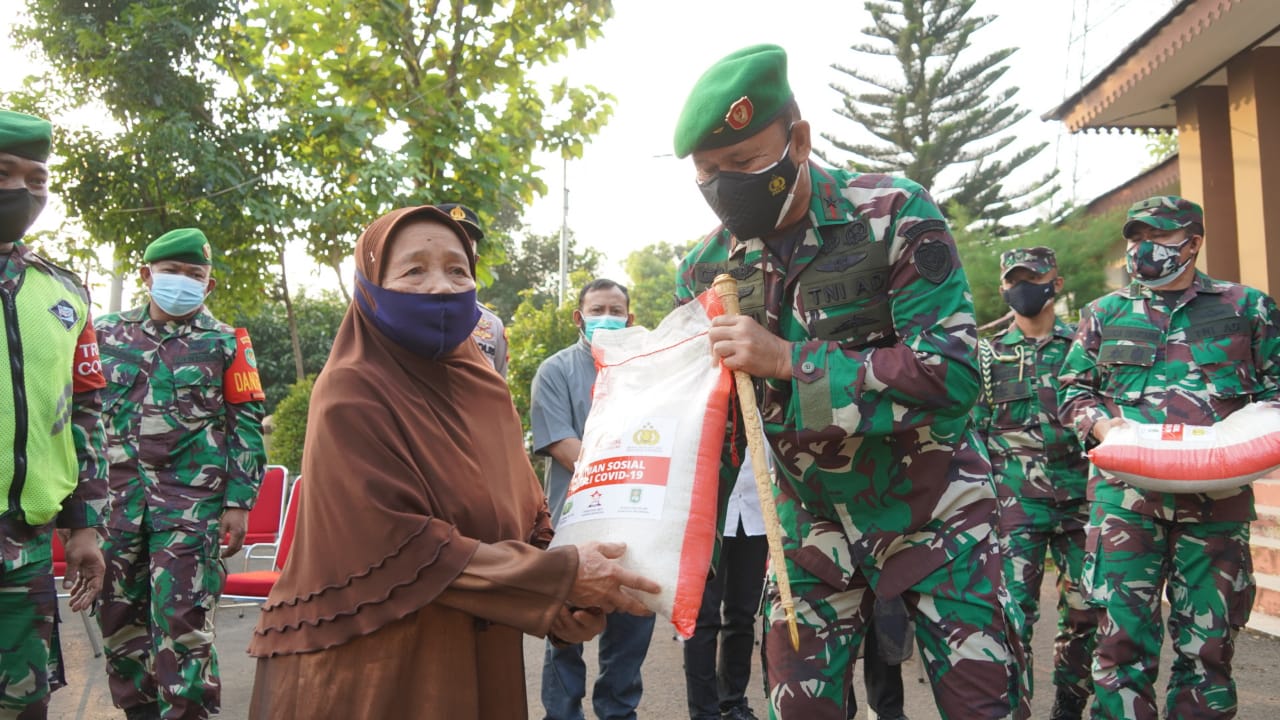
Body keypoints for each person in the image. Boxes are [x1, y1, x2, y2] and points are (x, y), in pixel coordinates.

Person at [672, 45, 1025, 720]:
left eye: (744, 164)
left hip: (936, 513)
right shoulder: (710, 266)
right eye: (708, 174)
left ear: (798, 141)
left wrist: (789, 363)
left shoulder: (893, 213)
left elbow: (950, 372)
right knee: (800, 710)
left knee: (984, 706)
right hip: (808, 526)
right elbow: (717, 420)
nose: (726, 186)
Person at [246, 205, 658, 720]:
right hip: (376, 667)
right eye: (414, 270)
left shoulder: (485, 390)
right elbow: (398, 544)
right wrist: (560, 578)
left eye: (458, 270)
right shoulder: (350, 391)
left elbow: (529, 515)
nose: (441, 287)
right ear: (371, 285)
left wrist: (568, 605)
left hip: (483, 656)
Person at [1059, 196, 1280, 719]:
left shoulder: (1246, 308)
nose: (1143, 249)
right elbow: (1072, 391)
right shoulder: (1104, 314)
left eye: (1156, 238)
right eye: (1135, 238)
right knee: (1118, 647)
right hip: (1125, 507)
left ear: (1193, 243)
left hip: (1216, 506)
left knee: (1208, 649)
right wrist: (1102, 425)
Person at [94, 227, 268, 720]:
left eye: (195, 275)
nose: (182, 282)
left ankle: (188, 713)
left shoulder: (227, 343)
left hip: (191, 509)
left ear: (209, 286)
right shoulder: (104, 335)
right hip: (115, 508)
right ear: (147, 274)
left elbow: (246, 426)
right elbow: (78, 422)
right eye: (172, 271)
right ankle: (139, 713)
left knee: (184, 623)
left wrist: (239, 502)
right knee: (119, 621)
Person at [0, 109, 108, 720]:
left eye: (36, 178)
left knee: (25, 707)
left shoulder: (65, 293)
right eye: (3, 172)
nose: (21, 190)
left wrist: (84, 525)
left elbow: (82, 415)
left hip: (25, 549)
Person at [972, 247, 1095, 720]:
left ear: (1055, 283)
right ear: (1004, 289)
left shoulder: (1083, 347)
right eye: (1014, 280)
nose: (1023, 287)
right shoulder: (988, 354)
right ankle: (1012, 709)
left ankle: (1070, 701)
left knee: (1087, 612)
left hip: (1082, 499)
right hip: (1016, 504)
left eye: (1034, 277)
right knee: (1012, 617)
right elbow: (976, 432)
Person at [530, 278, 657, 720]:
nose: (608, 316)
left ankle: (618, 714)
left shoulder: (647, 373)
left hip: (636, 524)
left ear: (630, 318)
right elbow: (562, 444)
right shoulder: (555, 371)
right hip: (574, 524)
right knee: (566, 632)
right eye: (597, 308)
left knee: (630, 632)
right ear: (579, 317)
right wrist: (628, 468)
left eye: (616, 309)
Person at [683, 455, 768, 720]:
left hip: (755, 512)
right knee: (703, 617)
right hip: (709, 512)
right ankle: (704, 711)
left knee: (742, 615)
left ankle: (732, 703)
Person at [438, 201, 509, 377]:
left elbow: (498, 388)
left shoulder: (492, 324)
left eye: (465, 244)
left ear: (475, 260)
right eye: (451, 238)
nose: (457, 250)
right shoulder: (406, 309)